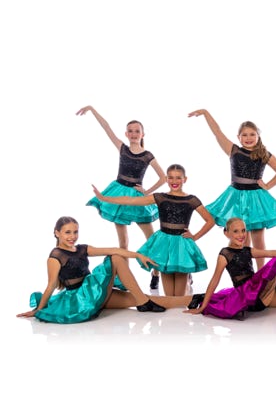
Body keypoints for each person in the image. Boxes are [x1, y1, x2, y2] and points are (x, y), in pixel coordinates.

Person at [16, 216, 206, 324]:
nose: (72, 236)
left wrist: (137, 255)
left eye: (75, 232)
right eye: (67, 232)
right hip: (80, 299)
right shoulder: (55, 256)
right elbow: (50, 285)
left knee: (144, 295)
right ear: (56, 233)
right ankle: (142, 301)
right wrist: (38, 310)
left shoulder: (81, 248)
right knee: (116, 260)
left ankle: (196, 299)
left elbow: (114, 249)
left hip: (96, 292)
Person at [76, 105, 166, 290]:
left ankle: (156, 273)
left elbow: (163, 177)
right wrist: (92, 109)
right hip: (118, 195)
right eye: (130, 131)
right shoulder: (122, 148)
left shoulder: (147, 155)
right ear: (126, 134)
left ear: (142, 134)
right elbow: (106, 127)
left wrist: (147, 192)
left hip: (137, 199)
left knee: (151, 239)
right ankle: (125, 278)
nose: (133, 134)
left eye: (137, 131)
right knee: (123, 243)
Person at [188, 108, 276, 270]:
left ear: (258, 136)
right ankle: (246, 272)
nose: (248, 138)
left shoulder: (263, 154)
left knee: (258, 238)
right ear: (238, 137)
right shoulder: (233, 150)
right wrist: (206, 113)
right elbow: (217, 132)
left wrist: (267, 185)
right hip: (235, 197)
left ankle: (261, 272)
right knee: (241, 237)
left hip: (256, 199)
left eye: (252, 134)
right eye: (244, 135)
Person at [92, 164, 215, 296]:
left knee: (178, 297)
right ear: (166, 179)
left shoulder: (191, 200)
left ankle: (187, 284)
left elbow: (210, 221)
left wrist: (195, 237)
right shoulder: (160, 197)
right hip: (164, 245)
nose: (174, 181)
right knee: (169, 297)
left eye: (178, 178)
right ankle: (181, 289)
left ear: (185, 179)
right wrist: (104, 198)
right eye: (171, 177)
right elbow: (131, 200)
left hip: (181, 246)